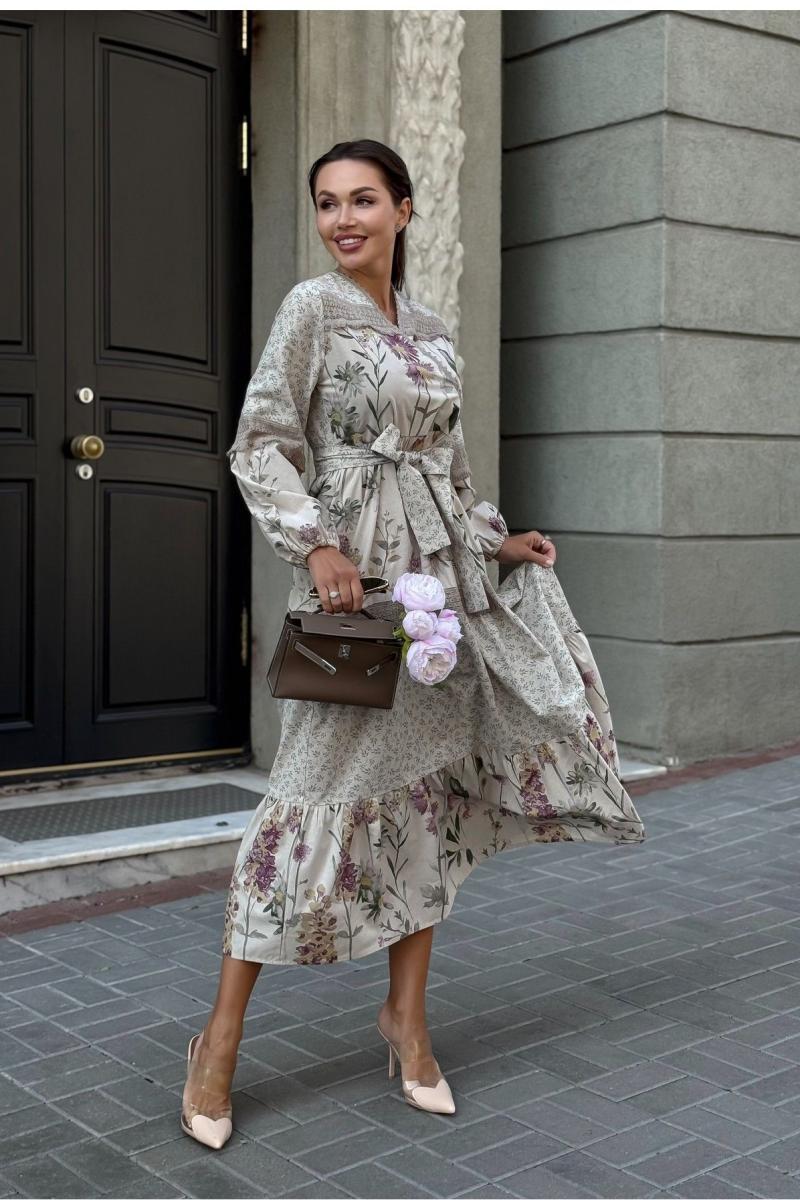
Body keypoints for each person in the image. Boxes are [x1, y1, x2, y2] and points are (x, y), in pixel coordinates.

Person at [180, 138, 646, 1148]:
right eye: (326, 203)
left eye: (362, 200)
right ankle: (219, 1039)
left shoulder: (433, 332)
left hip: (440, 590)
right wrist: (315, 545)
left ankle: (406, 1019)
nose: (342, 219)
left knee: (426, 793)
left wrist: (497, 540)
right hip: (353, 588)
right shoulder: (309, 310)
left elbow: (454, 472)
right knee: (305, 797)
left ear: (402, 208)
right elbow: (260, 444)